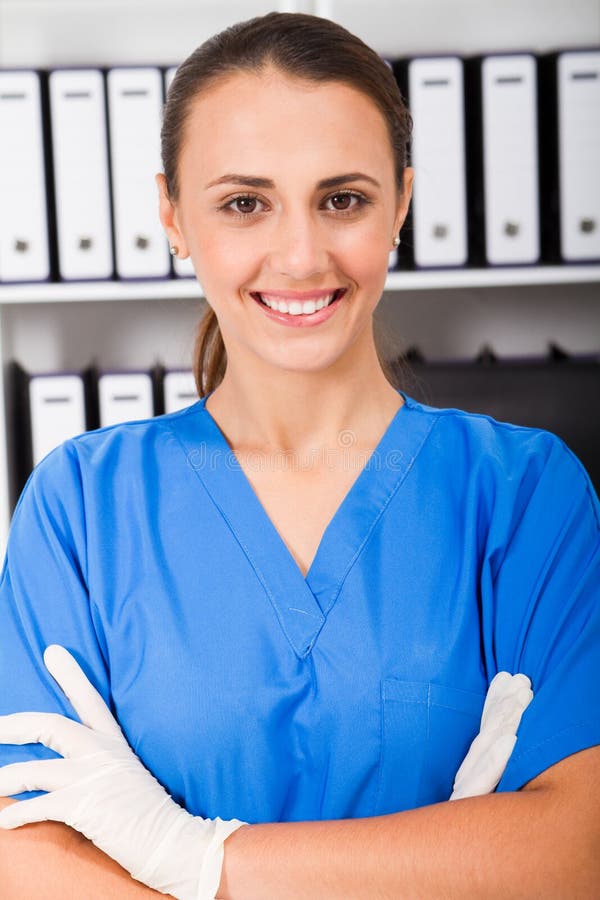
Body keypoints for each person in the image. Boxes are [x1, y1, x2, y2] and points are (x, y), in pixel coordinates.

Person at [0, 11, 598, 899]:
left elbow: (576, 851)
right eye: (245, 203)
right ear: (173, 213)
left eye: (343, 199)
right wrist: (441, 868)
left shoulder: (525, 496)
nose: (300, 254)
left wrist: (196, 857)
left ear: (399, 201)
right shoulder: (81, 505)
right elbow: (29, 855)